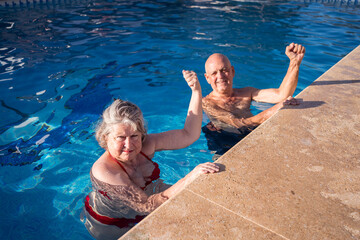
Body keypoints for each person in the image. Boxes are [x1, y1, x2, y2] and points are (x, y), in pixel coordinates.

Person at [83, 70, 220, 240]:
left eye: (134, 136)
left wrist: (196, 92)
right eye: (120, 138)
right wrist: (190, 176)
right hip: (112, 225)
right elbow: (146, 206)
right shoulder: (105, 170)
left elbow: (188, 134)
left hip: (149, 199)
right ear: (105, 137)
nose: (129, 145)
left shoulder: (146, 145)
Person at [202, 43, 305, 155]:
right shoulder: (207, 103)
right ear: (207, 78)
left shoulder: (247, 92)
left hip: (251, 134)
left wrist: (295, 62)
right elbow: (238, 124)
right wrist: (274, 110)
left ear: (232, 71)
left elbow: (281, 95)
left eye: (224, 70)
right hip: (224, 140)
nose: (220, 76)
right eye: (214, 73)